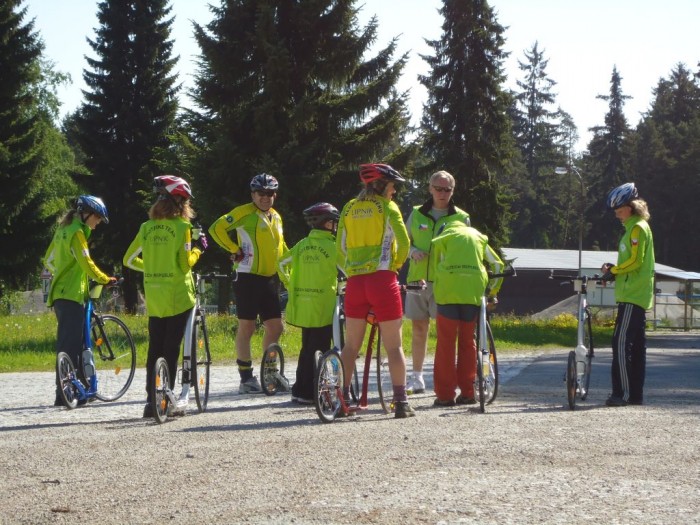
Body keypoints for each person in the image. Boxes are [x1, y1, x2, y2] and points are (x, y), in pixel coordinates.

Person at [123, 176, 207, 418]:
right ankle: (167, 398)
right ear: (181, 203)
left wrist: (151, 267)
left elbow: (128, 260)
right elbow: (184, 264)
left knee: (154, 348)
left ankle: (151, 402)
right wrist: (199, 249)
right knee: (171, 347)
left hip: (155, 294)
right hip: (178, 294)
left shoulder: (145, 227)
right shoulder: (183, 228)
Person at [336, 163, 415, 418]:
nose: (394, 192)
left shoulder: (348, 207)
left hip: (356, 282)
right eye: (392, 186)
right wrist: (395, 266)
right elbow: (404, 243)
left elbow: (340, 249)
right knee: (394, 346)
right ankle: (401, 402)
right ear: (382, 186)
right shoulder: (387, 207)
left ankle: (342, 399)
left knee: (350, 346)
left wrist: (351, 270)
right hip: (382, 280)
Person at [209, 173, 289, 394]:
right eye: (260, 193)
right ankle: (246, 378)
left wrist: (290, 270)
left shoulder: (276, 216)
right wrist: (234, 249)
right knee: (248, 326)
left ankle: (270, 373)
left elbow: (281, 248)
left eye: (269, 193)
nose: (265, 197)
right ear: (253, 194)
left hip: (269, 278)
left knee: (276, 326)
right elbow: (216, 228)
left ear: (275, 195)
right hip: (247, 276)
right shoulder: (244, 213)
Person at [43, 195, 115, 407]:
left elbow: (48, 260)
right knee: (70, 345)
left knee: (75, 342)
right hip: (71, 295)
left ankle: (82, 389)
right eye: (98, 217)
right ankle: (63, 394)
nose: (99, 222)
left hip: (63, 294)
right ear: (86, 214)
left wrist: (61, 273)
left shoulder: (63, 230)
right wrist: (105, 279)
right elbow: (86, 263)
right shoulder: (76, 234)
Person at [404, 170, 471, 394]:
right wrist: (412, 251)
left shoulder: (461, 217)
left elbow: (467, 249)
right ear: (430, 189)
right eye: (439, 189)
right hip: (417, 280)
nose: (443, 194)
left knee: (447, 332)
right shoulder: (416, 213)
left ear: (453, 191)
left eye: (447, 189)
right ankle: (417, 377)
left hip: (446, 283)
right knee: (419, 328)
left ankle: (446, 379)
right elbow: (402, 243)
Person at [430, 221, 503, 406]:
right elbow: (497, 266)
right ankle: (469, 392)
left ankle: (445, 396)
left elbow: (436, 268)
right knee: (468, 342)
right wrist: (492, 292)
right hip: (472, 293)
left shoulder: (443, 238)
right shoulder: (479, 237)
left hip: (448, 294)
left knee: (445, 344)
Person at [278, 202, 340, 404]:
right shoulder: (333, 247)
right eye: (333, 222)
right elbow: (349, 270)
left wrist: (290, 284)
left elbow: (281, 263)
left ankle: (299, 389)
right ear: (326, 223)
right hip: (324, 304)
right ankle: (311, 392)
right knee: (320, 347)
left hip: (303, 304)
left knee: (307, 347)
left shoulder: (302, 245)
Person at [601, 182, 655, 407]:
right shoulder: (635, 228)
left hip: (632, 295)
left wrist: (613, 271)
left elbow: (636, 260)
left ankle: (620, 394)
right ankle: (635, 395)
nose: (617, 215)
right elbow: (632, 261)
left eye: (619, 210)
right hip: (636, 293)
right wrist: (615, 270)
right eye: (615, 211)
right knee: (636, 347)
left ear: (630, 207)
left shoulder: (637, 228)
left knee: (621, 344)